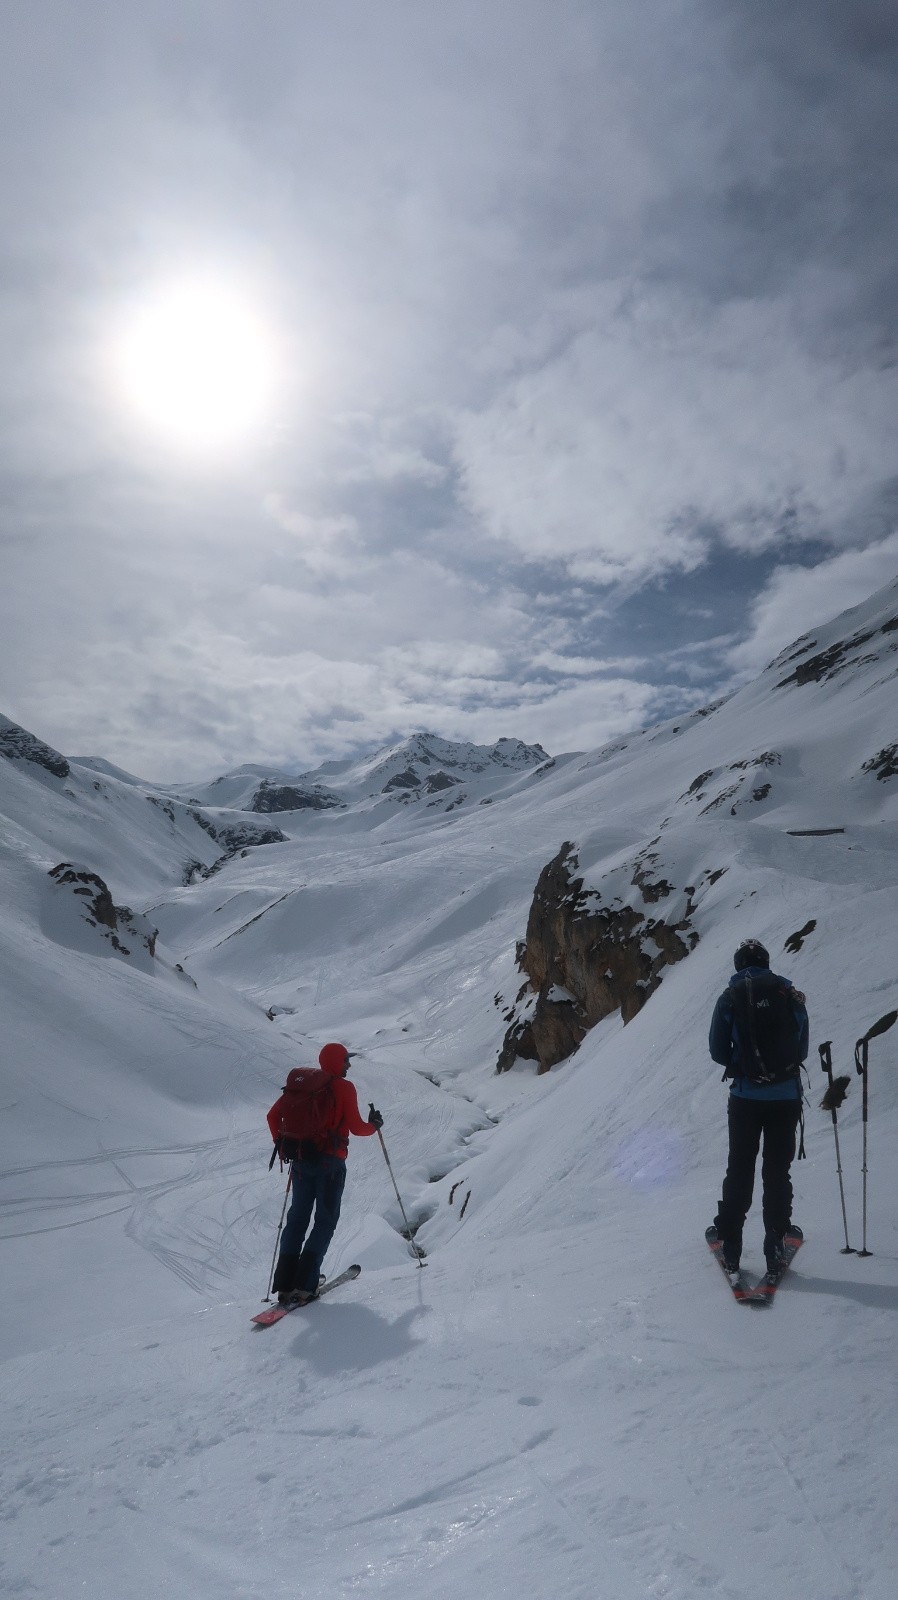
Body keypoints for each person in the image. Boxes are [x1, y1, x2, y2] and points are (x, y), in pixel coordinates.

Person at [709, 939, 808, 1276]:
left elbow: (718, 1051)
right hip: (785, 1098)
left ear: (739, 965)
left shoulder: (729, 997)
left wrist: (744, 1064)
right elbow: (802, 1048)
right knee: (777, 1170)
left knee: (740, 1168)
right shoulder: (787, 994)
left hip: (745, 1099)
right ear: (766, 963)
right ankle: (776, 1243)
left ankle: (730, 1245)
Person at [268, 1042, 383, 1305]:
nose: (348, 1065)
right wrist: (374, 1125)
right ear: (336, 1061)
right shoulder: (343, 1088)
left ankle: (286, 1284)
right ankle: (305, 1285)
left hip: (299, 1161)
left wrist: (287, 1145)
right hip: (330, 1164)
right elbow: (356, 1128)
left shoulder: (302, 1087)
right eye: (345, 1060)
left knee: (297, 1219)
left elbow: (272, 1117)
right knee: (325, 1221)